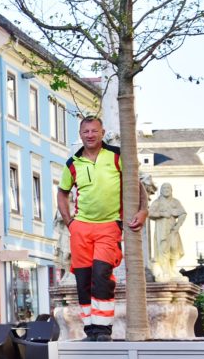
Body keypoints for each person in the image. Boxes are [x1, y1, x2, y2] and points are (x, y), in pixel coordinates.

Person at [57, 117, 148, 342]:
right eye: (86, 131)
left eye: (94, 131)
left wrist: (143, 210)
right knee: (83, 280)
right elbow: (62, 192)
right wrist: (70, 222)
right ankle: (91, 329)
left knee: (101, 276)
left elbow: (137, 184)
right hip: (81, 229)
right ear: (80, 134)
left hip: (109, 226)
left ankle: (104, 329)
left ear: (102, 132)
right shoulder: (73, 163)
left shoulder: (116, 155)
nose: (90, 135)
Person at [148, 183, 187, 282]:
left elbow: (183, 213)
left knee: (174, 248)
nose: (166, 189)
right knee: (164, 250)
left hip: (173, 230)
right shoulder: (157, 202)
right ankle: (165, 271)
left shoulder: (175, 202)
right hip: (162, 230)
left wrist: (178, 226)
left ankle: (173, 269)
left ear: (171, 190)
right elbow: (149, 213)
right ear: (161, 190)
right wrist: (161, 214)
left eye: (168, 188)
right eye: (164, 188)